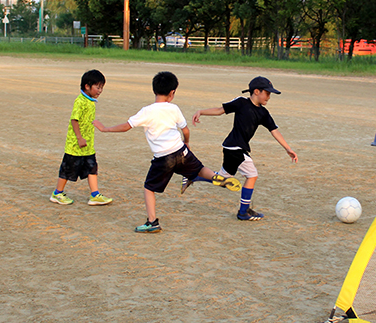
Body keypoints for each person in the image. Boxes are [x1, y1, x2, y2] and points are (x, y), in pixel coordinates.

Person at [95, 71, 240, 233]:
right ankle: (216, 176)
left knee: (149, 188)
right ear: (172, 93)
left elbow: (126, 126)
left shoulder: (147, 111)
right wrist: (187, 143)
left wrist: (105, 128)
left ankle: (152, 222)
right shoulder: (174, 108)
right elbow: (185, 130)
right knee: (199, 169)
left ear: (154, 90)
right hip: (181, 150)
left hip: (163, 158)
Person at [189, 76, 298, 221]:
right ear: (257, 91)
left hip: (234, 148)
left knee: (223, 180)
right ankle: (243, 212)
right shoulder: (241, 102)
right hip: (235, 147)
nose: (269, 97)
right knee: (252, 175)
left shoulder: (263, 113)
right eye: (267, 93)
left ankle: (193, 177)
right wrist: (201, 111)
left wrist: (287, 148)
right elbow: (221, 110)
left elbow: (274, 130)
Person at [50, 69, 113, 206]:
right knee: (67, 170)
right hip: (75, 146)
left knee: (92, 167)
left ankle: (95, 194)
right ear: (87, 86)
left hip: (88, 145)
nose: (100, 90)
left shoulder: (90, 102)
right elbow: (74, 120)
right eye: (98, 87)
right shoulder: (80, 101)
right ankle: (57, 193)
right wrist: (79, 138)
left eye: (101, 87)